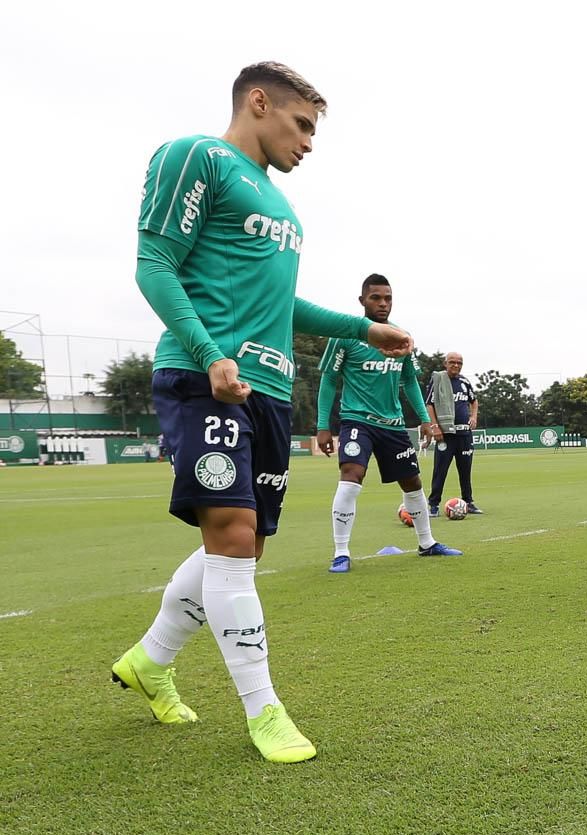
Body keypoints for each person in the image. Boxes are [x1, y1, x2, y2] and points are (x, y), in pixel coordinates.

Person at [113, 62, 413, 763]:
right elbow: (154, 262)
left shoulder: (282, 208)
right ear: (258, 103)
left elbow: (284, 306)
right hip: (203, 377)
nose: (308, 141)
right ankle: (264, 709)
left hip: (270, 393)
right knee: (234, 533)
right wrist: (209, 351)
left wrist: (361, 329)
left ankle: (151, 660)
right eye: (301, 124)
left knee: (243, 545)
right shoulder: (197, 156)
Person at [315, 274, 462, 573]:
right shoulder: (346, 335)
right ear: (362, 301)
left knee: (412, 482)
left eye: (388, 298)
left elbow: (409, 380)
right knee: (351, 474)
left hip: (393, 424)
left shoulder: (401, 336)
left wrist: (423, 419)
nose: (383, 303)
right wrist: (322, 425)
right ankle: (341, 552)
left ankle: (427, 543)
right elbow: (329, 378)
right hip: (357, 419)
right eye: (376, 298)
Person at [426, 352, 483, 515]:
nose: (456, 365)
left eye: (459, 363)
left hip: (464, 434)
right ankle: (434, 505)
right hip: (446, 434)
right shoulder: (438, 381)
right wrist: (435, 426)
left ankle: (468, 502)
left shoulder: (464, 382)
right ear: (445, 363)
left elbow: (474, 400)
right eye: (452, 362)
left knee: (465, 470)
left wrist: (473, 416)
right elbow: (429, 404)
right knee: (440, 469)